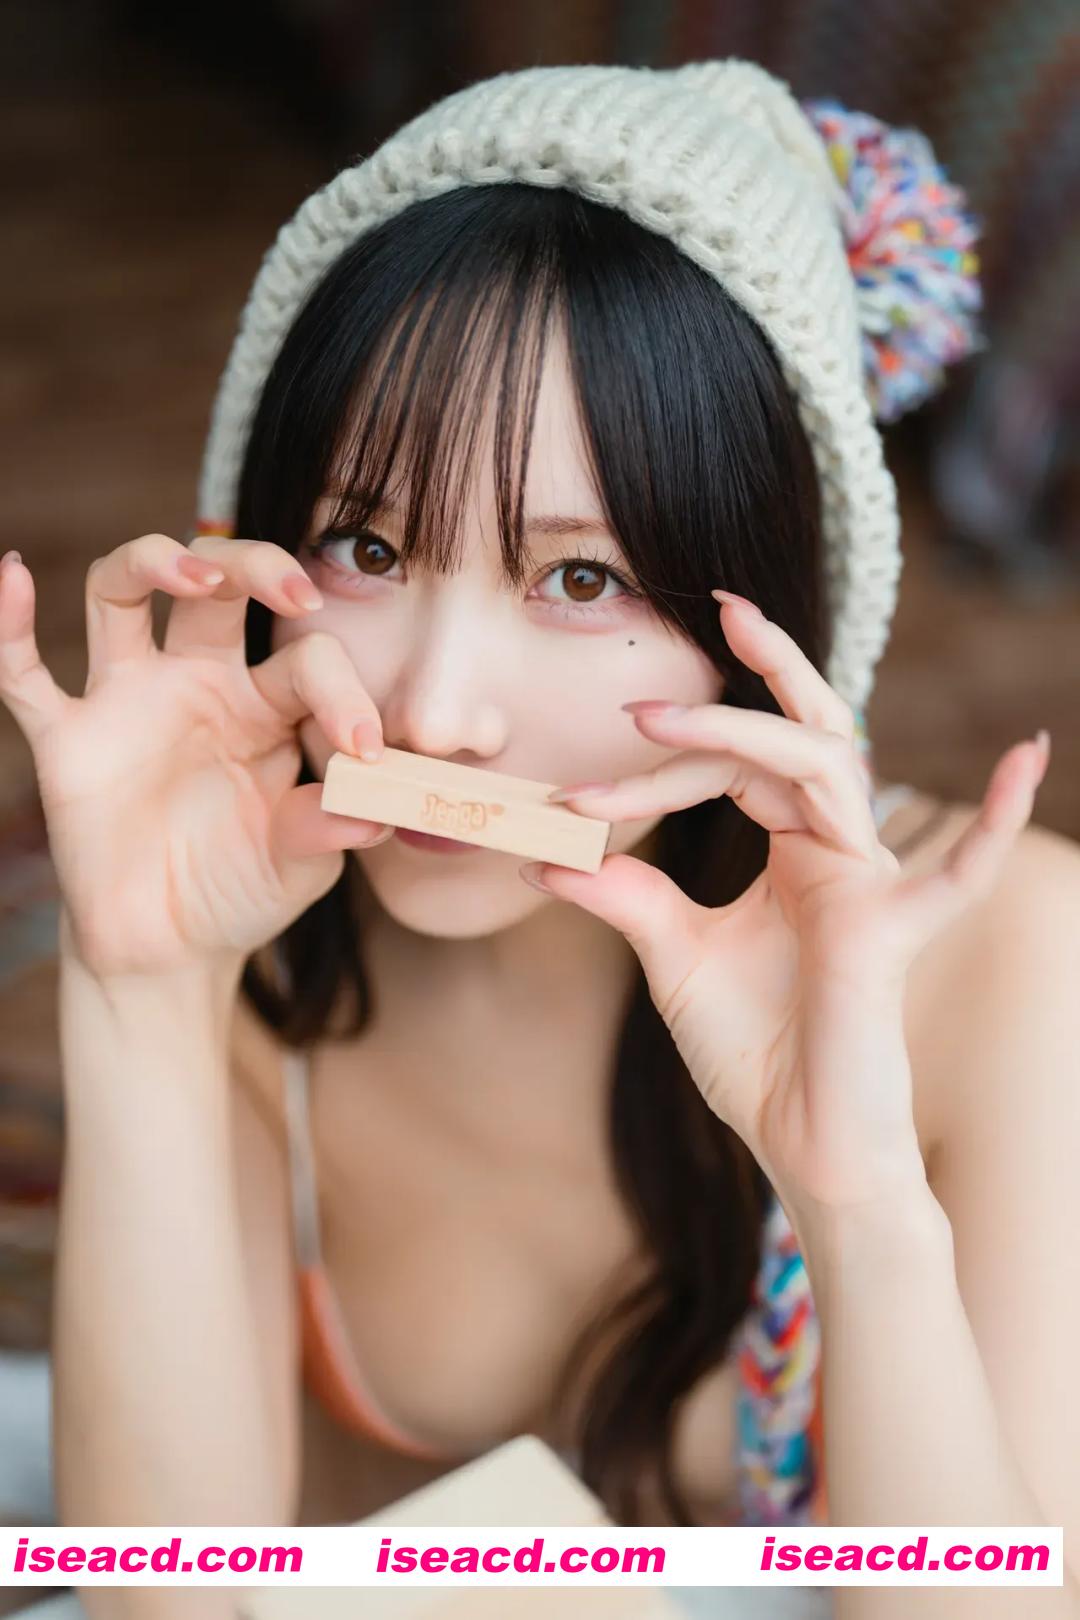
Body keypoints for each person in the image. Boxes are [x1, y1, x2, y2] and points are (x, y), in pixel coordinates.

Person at [1, 57, 1078, 1620]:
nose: (437, 714)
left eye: (581, 580)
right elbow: (164, 1600)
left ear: (772, 621)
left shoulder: (1009, 952)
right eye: (368, 544)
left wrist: (855, 1198)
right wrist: (143, 992)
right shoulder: (245, 956)